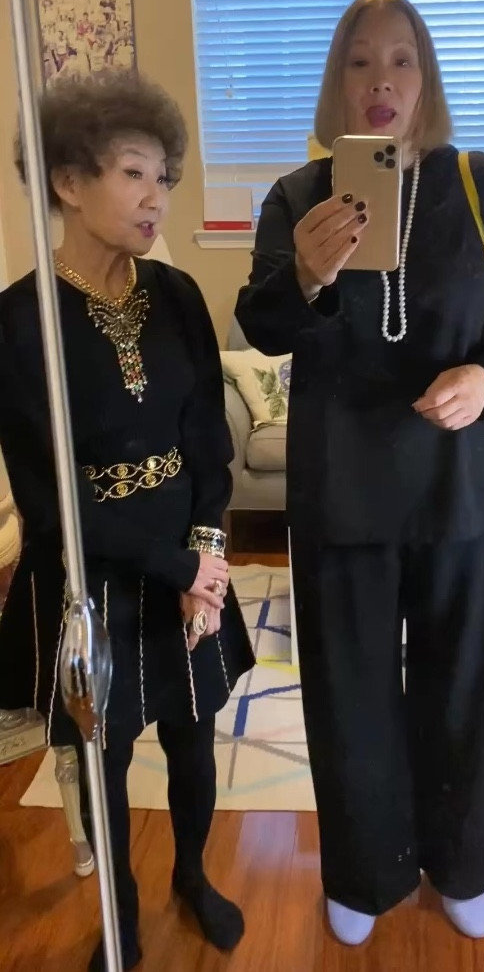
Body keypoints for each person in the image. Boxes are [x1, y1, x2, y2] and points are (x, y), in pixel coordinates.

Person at [235, 0, 484, 946]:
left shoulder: (482, 184)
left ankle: (461, 861)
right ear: (336, 79)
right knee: (349, 683)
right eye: (359, 62)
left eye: (402, 62)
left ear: (427, 80)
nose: (381, 81)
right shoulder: (296, 196)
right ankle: (363, 868)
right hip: (343, 486)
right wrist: (301, 274)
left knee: (469, 680)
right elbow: (262, 327)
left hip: (465, 482)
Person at [0, 70, 254, 971]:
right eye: (136, 174)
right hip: (90, 578)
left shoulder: (179, 296)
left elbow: (208, 446)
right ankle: (122, 907)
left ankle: (192, 873)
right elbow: (47, 502)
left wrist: (207, 556)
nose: (158, 198)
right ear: (69, 181)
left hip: (188, 560)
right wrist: (177, 568)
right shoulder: (16, 323)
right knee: (102, 764)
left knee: (193, 738)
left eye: (166, 179)